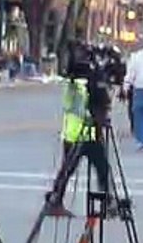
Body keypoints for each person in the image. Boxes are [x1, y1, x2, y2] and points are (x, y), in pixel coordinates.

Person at [47, 78, 109, 217]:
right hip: (75, 134)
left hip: (91, 133)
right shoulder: (75, 84)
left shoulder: (89, 82)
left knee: (102, 167)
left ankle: (108, 202)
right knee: (68, 169)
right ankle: (55, 201)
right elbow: (79, 107)